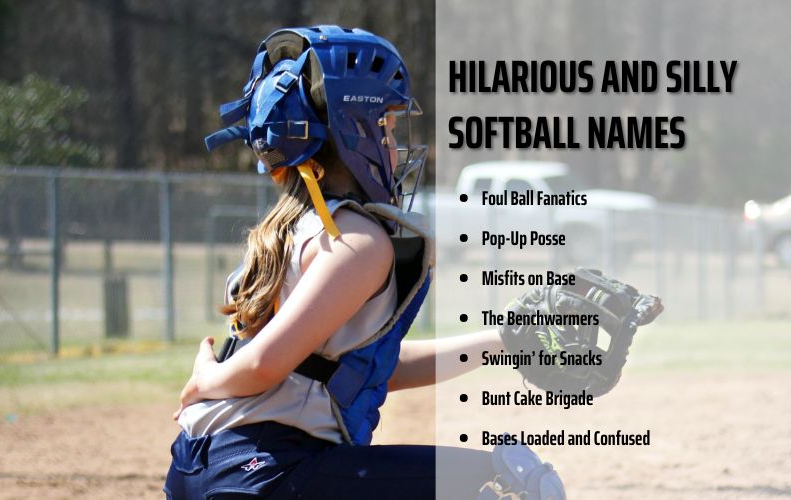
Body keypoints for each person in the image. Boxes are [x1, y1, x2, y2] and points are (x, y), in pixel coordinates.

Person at [164, 25, 566, 499]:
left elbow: (361, 369)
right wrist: (208, 380)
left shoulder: (292, 227)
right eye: (387, 128)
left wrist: (503, 341)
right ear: (354, 132)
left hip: (213, 466)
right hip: (270, 469)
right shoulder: (357, 240)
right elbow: (264, 364)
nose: (395, 148)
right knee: (514, 483)